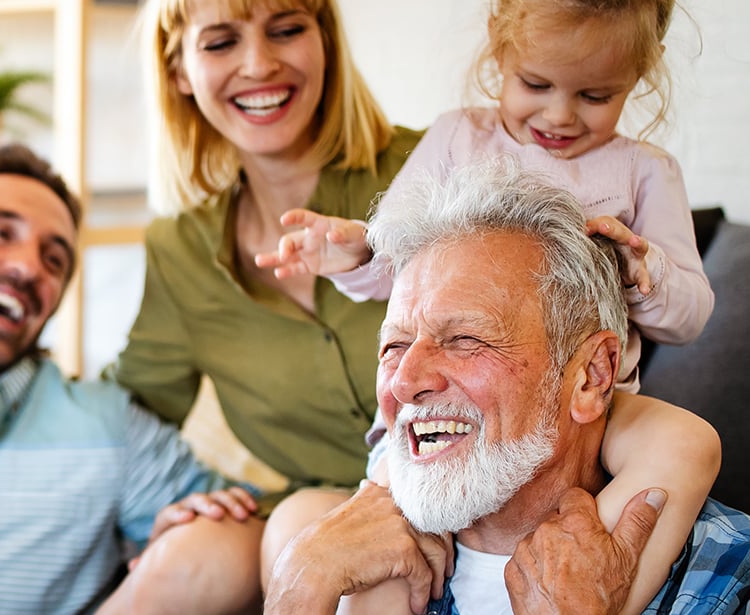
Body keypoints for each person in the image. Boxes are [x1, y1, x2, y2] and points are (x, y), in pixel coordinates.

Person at [256, 0, 720, 611]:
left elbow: (689, 316)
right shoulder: (456, 136)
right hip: (431, 440)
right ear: (499, 54)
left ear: (638, 77)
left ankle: (596, 588)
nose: (559, 114)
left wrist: (644, 270)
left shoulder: (644, 170)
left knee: (686, 445)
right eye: (535, 84)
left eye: (595, 95)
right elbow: (401, 260)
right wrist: (357, 250)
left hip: (600, 403)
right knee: (389, 542)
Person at [264, 158, 750, 615]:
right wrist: (297, 588)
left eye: (465, 339)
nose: (406, 382)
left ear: (592, 376)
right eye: (393, 347)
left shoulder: (731, 578)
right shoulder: (344, 566)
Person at [99, 0, 423, 612]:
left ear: (324, 40)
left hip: (471, 480)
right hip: (322, 506)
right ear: (179, 71)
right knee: (236, 544)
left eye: (287, 29)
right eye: (221, 42)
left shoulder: (428, 168)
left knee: (304, 539)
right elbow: (123, 408)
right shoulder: (180, 250)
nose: (259, 63)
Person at [0, 144, 257, 615]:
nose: (30, 267)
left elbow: (248, 534)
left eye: (54, 259)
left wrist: (183, 543)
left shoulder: (106, 426)